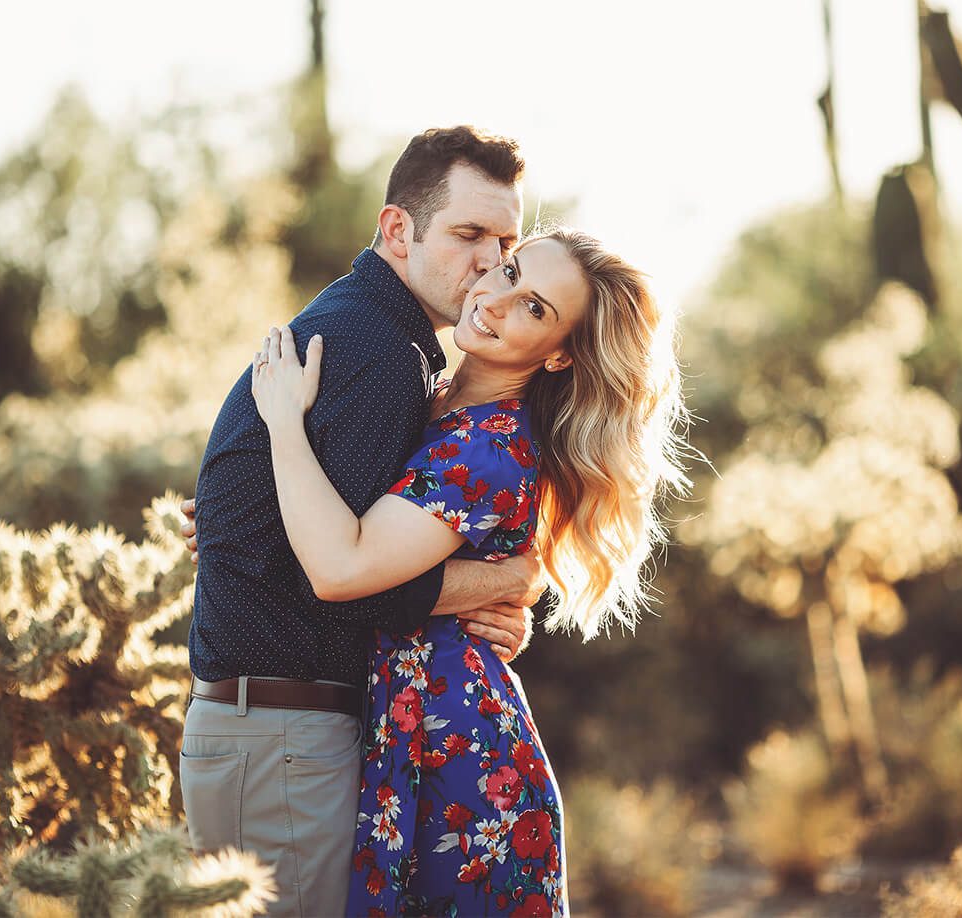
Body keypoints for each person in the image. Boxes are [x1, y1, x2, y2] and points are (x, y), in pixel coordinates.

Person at [251, 225, 688, 915]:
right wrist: (242, 520)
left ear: (558, 357)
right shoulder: (429, 401)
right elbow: (342, 520)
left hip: (467, 778)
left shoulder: (489, 446)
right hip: (404, 740)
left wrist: (282, 425)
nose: (497, 300)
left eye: (536, 309)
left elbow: (343, 567)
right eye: (511, 272)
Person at [181, 126, 555, 917]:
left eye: (504, 241)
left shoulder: (380, 336)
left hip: (276, 731)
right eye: (467, 235)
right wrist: (507, 581)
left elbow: (310, 532)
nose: (489, 262)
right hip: (280, 734)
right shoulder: (379, 353)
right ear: (396, 230)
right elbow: (349, 579)